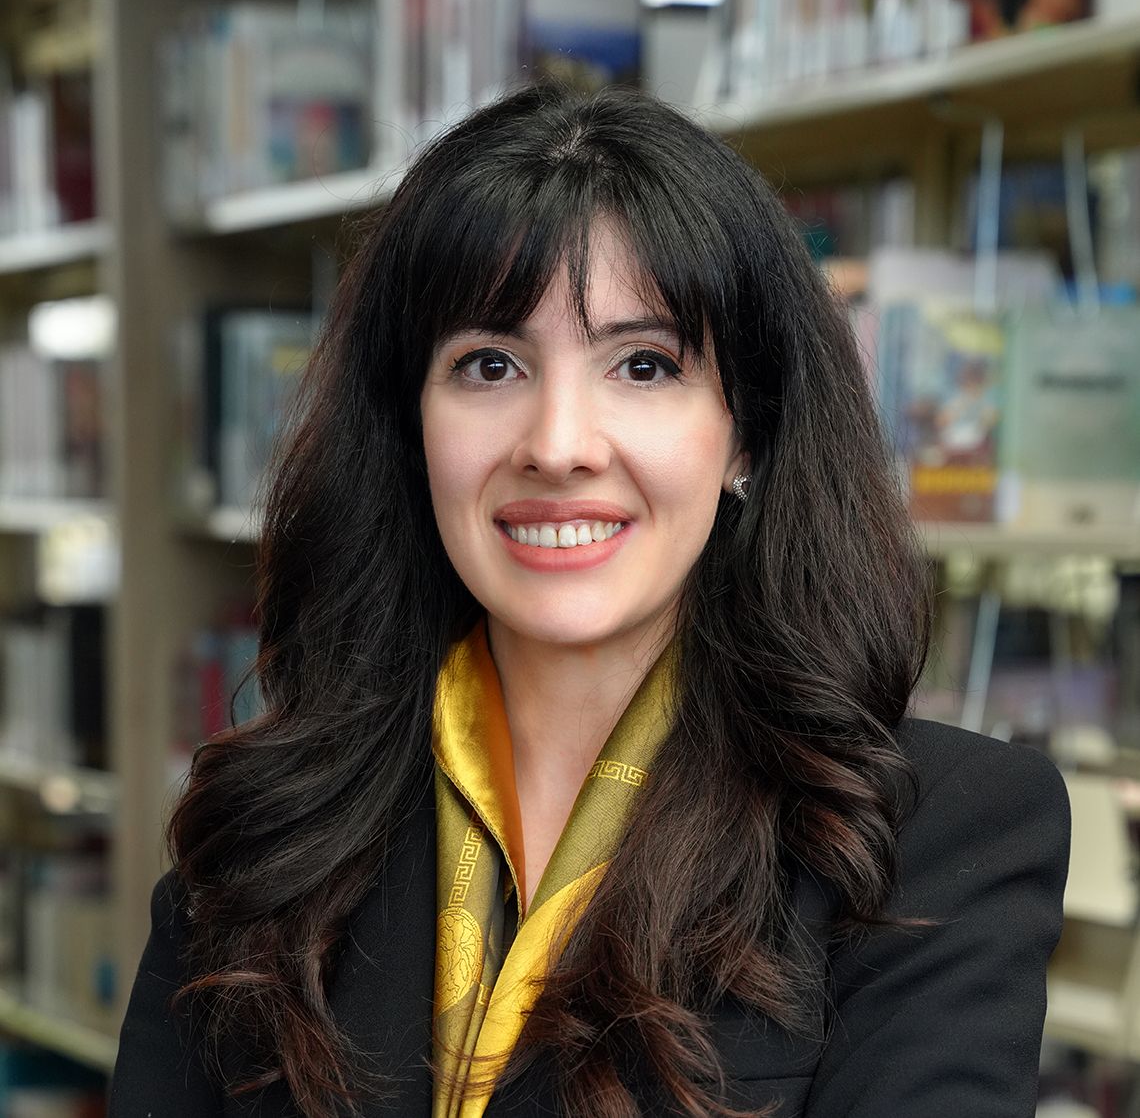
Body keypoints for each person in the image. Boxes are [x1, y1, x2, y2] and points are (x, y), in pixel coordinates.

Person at [109, 83, 1069, 1118]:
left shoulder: (933, 837)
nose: (558, 445)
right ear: (410, 427)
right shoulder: (263, 838)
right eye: (489, 365)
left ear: (745, 435)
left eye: (643, 366)